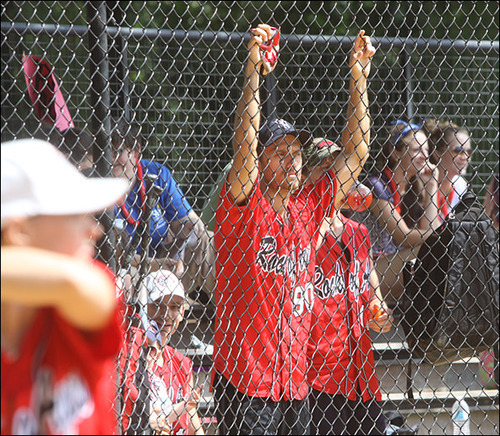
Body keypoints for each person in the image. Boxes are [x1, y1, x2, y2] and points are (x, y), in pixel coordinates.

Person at [212, 24, 374, 435]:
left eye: (297, 153)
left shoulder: (308, 207)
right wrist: (253, 71)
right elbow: (245, 143)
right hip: (247, 382)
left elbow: (356, 152)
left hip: (293, 385)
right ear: (261, 164)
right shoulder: (244, 205)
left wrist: (358, 79)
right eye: (280, 153)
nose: (293, 160)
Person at [1, 139, 129, 434]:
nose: (95, 231)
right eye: (75, 215)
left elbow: (77, 285)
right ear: (19, 231)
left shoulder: (89, 288)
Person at [302, 139, 393, 435]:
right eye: (324, 167)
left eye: (339, 168)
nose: (333, 174)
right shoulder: (299, 231)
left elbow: (371, 285)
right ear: (306, 175)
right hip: (319, 374)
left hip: (361, 372)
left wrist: (380, 312)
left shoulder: (359, 232)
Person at [111, 119, 215, 298]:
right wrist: (152, 264)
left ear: (136, 153)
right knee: (124, 279)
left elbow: (186, 221)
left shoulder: (156, 173)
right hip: (128, 267)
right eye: (107, 152)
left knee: (206, 240)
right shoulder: (97, 186)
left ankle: (233, 309)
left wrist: (190, 229)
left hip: (165, 259)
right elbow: (114, 255)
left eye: (119, 151)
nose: (112, 159)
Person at [352, 120, 440, 304]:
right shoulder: (376, 185)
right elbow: (404, 237)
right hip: (368, 269)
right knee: (434, 250)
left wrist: (432, 186)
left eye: (426, 150)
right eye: (417, 150)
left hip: (396, 266)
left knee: (438, 250)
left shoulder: (414, 188)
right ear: (395, 153)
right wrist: (444, 236)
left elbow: (431, 227)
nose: (425, 156)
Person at [119, 269, 204, 435]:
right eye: (157, 305)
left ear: (182, 312)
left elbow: (193, 424)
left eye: (174, 306)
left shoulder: (182, 364)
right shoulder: (129, 355)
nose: (165, 314)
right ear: (143, 307)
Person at [424, 119, 472, 221]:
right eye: (458, 150)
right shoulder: (421, 184)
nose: (465, 157)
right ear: (437, 154)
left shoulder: (461, 185)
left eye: (469, 152)